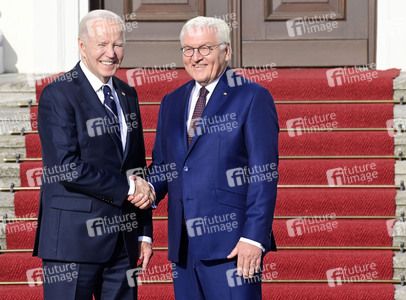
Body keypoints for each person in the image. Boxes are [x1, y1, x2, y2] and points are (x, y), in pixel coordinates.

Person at [147, 16, 279, 299]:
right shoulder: (171, 102)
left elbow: (263, 173)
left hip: (232, 246)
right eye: (188, 50)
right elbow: (163, 167)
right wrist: (140, 189)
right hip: (183, 248)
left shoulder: (253, 97)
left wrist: (254, 237)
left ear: (226, 51)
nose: (196, 57)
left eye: (205, 48)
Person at [32, 10, 155, 300]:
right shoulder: (58, 94)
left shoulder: (127, 94)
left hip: (123, 247)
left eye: (118, 44)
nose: (111, 53)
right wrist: (127, 188)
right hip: (72, 244)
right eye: (101, 44)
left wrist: (143, 233)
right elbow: (65, 167)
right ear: (82, 44)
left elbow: (136, 166)